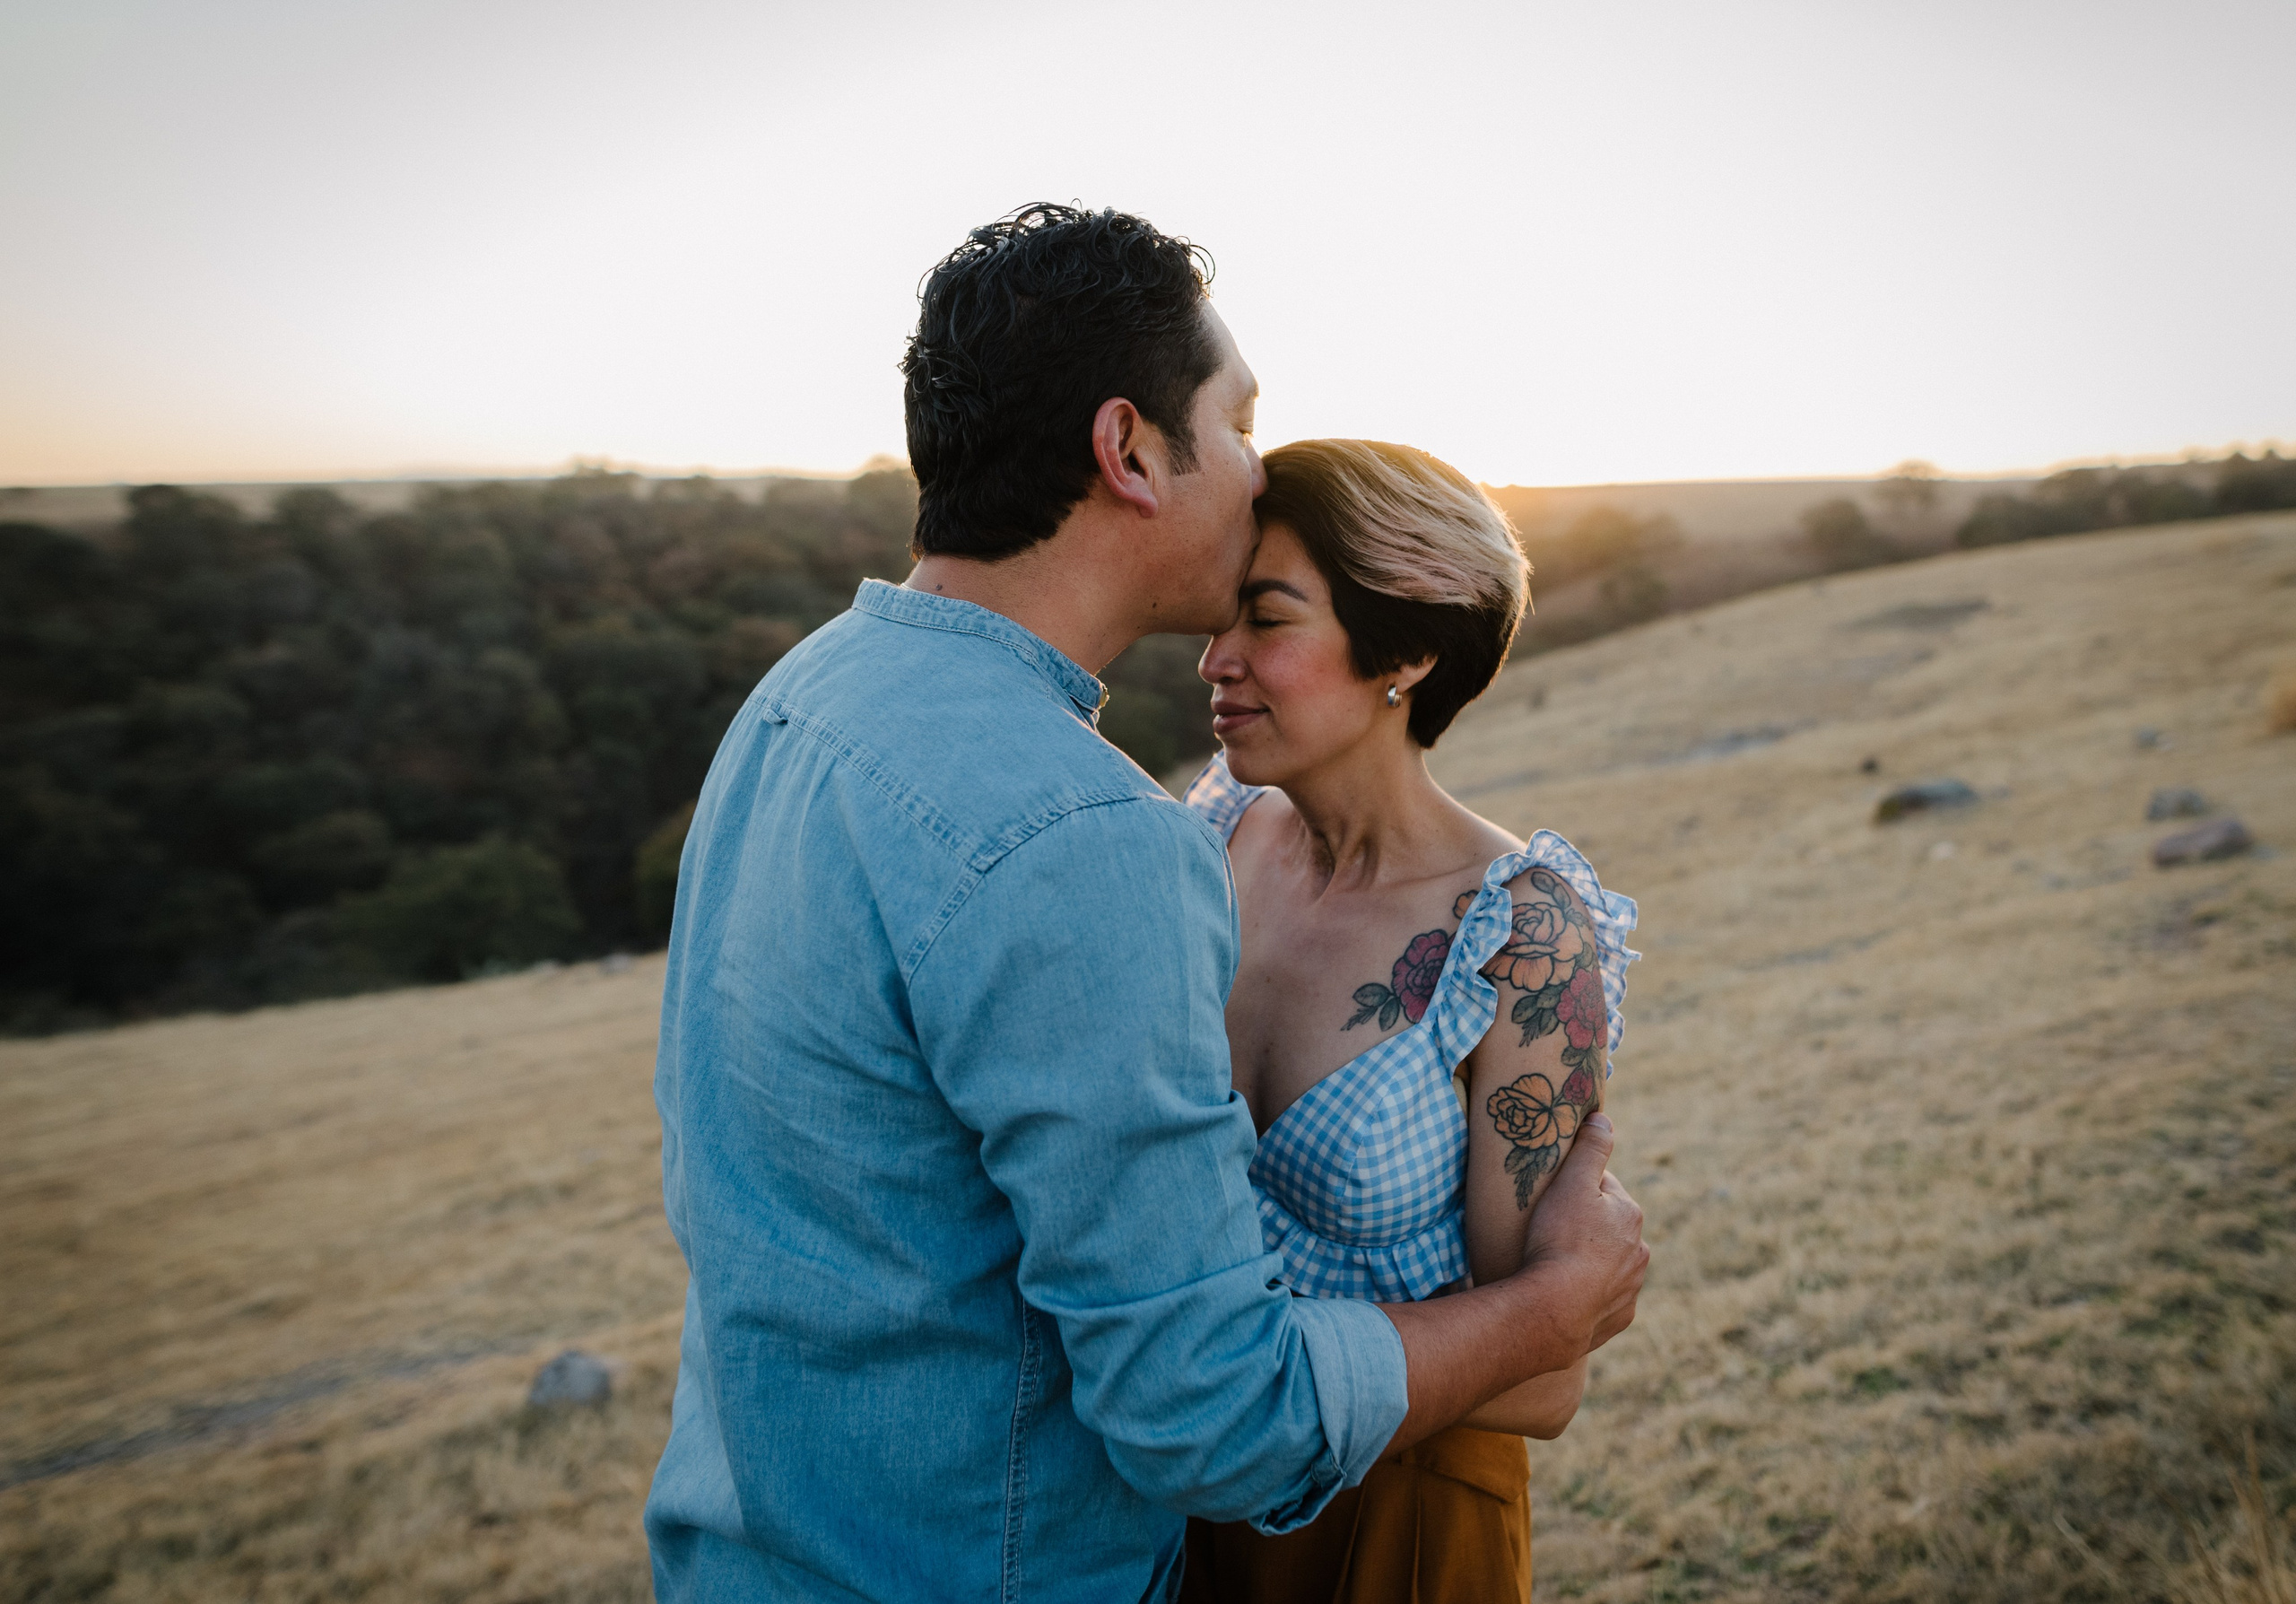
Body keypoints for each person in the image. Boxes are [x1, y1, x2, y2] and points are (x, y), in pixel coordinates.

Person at [643, 205, 1648, 1603]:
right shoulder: (1093, 838)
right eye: (1238, 422)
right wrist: (1552, 1309)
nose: (1252, 471)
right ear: (1127, 451)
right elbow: (1212, 1414)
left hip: (752, 1552)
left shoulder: (799, 701)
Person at [1174, 439, 1639, 1601]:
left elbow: (1544, 1379)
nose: (1213, 660)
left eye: (1265, 620)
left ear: (1411, 651)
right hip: (1176, 1489)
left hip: (1398, 1530)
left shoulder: (1525, 939)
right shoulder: (1212, 838)